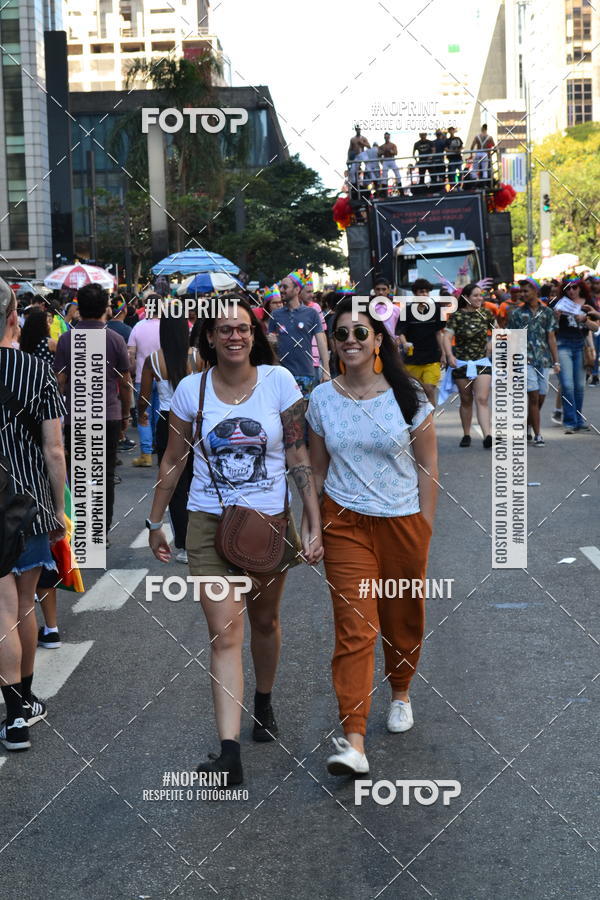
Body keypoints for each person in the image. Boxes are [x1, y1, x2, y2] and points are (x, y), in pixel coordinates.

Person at [146, 295, 323, 784]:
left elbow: (297, 454)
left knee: (265, 623)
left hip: (269, 522)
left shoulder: (279, 382)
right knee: (225, 635)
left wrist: (312, 522)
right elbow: (174, 459)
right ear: (209, 337)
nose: (235, 336)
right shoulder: (191, 389)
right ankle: (229, 754)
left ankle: (263, 701)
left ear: (254, 334)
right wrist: (155, 520)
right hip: (208, 521)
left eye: (243, 328)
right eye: (224, 329)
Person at [307, 296, 437, 776]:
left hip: (402, 522)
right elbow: (316, 471)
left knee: (402, 618)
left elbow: (428, 468)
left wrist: (424, 528)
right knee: (355, 627)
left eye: (360, 332)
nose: (351, 341)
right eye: (341, 333)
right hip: (344, 523)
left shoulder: (409, 395)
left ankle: (400, 691)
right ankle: (354, 740)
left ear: (378, 340)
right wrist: (312, 525)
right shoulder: (322, 399)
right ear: (333, 342)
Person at [0, 280, 66, 750]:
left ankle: (15, 713)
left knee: (2, 608)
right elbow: (54, 448)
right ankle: (22, 707)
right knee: (23, 605)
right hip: (28, 503)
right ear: (12, 316)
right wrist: (59, 508)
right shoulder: (36, 369)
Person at [54, 283, 133, 542]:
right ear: (105, 309)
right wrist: (125, 415)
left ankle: (82, 528)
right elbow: (125, 384)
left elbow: (60, 381)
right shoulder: (115, 339)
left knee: (79, 474)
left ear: (80, 309)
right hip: (108, 416)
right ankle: (101, 531)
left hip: (76, 417)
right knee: (105, 474)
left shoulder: (67, 339)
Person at [138, 302, 204, 563]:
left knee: (175, 486)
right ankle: (204, 539)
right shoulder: (198, 357)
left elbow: (144, 397)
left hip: (167, 422)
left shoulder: (153, 360)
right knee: (199, 479)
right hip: (196, 421)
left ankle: (185, 545)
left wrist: (141, 414)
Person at [441, 283, 494, 448]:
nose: (480, 298)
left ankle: (488, 436)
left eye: (481, 295)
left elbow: (499, 332)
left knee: (482, 399)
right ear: (466, 298)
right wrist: (449, 355)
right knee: (466, 399)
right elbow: (446, 337)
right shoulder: (457, 316)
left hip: (482, 362)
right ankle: (466, 434)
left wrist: (492, 343)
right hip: (462, 363)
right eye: (475, 295)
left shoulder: (486, 314)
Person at [508, 278, 560, 446]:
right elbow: (512, 340)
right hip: (525, 361)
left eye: (526, 291)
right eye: (521, 291)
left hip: (543, 360)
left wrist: (556, 362)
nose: (522, 294)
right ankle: (538, 435)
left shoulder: (547, 312)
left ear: (535, 291)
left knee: (541, 397)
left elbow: (551, 338)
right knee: (533, 396)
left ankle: (528, 424)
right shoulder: (516, 313)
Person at [268, 270, 330, 400]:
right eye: (281, 287)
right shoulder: (275, 315)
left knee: (305, 410)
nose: (281, 290)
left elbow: (321, 342)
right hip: (281, 375)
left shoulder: (311, 313)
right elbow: (269, 345)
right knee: (282, 411)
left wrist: (326, 371)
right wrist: (271, 342)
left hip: (305, 373)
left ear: (297, 290)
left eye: (285, 287)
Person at [553, 277, 599, 433]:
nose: (571, 291)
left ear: (580, 287)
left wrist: (585, 320)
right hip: (563, 344)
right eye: (568, 288)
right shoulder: (559, 303)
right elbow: (550, 329)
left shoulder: (587, 303)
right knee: (567, 385)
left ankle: (578, 419)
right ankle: (570, 421)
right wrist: (555, 318)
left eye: (574, 287)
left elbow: (596, 328)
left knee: (579, 386)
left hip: (581, 346)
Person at [396, 278, 446, 404]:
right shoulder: (407, 311)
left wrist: (444, 353)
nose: (424, 295)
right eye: (421, 292)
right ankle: (420, 415)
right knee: (415, 393)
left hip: (432, 358)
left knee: (429, 389)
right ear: (415, 293)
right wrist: (405, 343)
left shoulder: (436, 309)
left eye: (426, 292)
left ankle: (431, 417)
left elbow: (439, 333)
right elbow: (400, 331)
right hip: (413, 358)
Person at [128, 294, 161, 466]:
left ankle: (146, 454)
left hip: (142, 377)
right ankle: (158, 446)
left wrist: (132, 371)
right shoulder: (166, 327)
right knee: (159, 414)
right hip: (163, 377)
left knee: (143, 414)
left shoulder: (138, 327)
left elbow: (131, 354)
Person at [300, 272, 328, 385]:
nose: (312, 295)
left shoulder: (316, 307)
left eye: (312, 291)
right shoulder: (289, 309)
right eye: (308, 292)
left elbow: (322, 334)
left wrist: (326, 368)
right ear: (298, 292)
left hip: (314, 361)